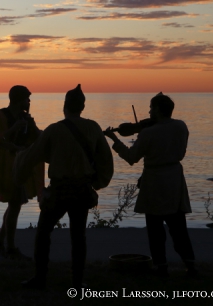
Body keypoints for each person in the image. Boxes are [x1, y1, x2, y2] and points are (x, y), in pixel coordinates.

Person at [13, 84, 114, 289]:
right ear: (82, 106)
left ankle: (40, 278)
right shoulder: (93, 127)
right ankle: (77, 283)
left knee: (43, 233)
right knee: (78, 237)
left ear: (64, 106)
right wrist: (96, 183)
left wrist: (18, 170)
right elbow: (105, 161)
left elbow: (32, 155)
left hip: (59, 190)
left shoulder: (54, 129)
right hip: (82, 190)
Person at [104, 92, 197, 277]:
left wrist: (114, 140)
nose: (148, 111)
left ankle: (161, 267)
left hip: (154, 181)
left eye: (151, 108)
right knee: (179, 227)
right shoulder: (181, 126)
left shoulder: (148, 133)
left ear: (157, 109)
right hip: (175, 179)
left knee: (155, 230)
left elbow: (131, 157)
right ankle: (191, 265)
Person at [0, 85, 44, 260]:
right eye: (27, 98)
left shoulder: (25, 118)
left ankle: (0, 242)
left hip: (21, 167)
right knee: (14, 204)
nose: (29, 102)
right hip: (7, 168)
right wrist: (13, 130)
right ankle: (9, 247)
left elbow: (38, 139)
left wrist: (32, 126)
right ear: (19, 100)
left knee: (14, 205)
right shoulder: (0, 116)